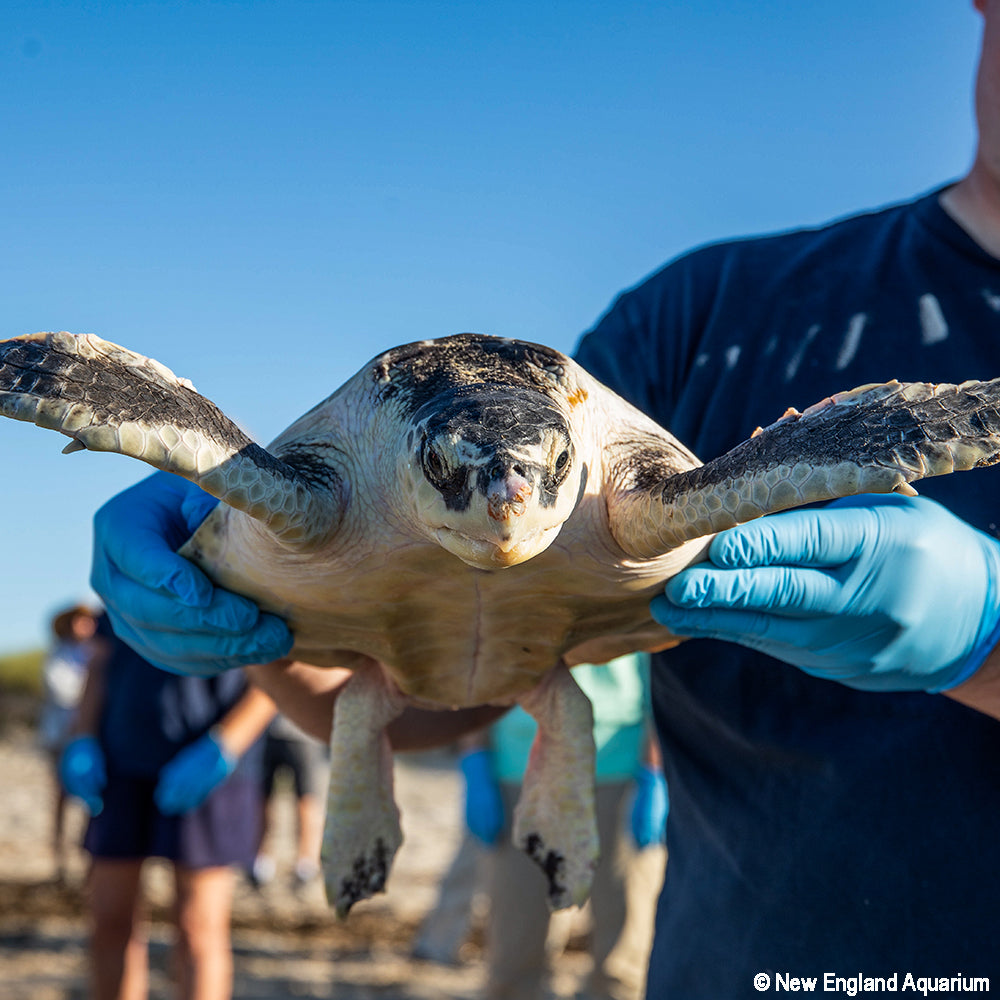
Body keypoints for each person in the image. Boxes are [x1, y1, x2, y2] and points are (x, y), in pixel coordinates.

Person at [84, 0, 1000, 993]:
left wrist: (989, 643)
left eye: (534, 484)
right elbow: (461, 672)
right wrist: (247, 621)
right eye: (466, 483)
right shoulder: (702, 315)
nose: (507, 509)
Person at [59, 613, 276, 1000]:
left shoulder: (253, 566)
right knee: (109, 921)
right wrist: (83, 735)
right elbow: (100, 662)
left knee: (198, 929)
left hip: (209, 764)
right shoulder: (134, 563)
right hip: (119, 763)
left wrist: (227, 743)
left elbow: (282, 671)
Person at [465, 652, 666, 1000]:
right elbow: (473, 664)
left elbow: (666, 664)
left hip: (619, 766)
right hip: (518, 765)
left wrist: (654, 769)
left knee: (624, 958)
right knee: (513, 952)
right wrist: (474, 756)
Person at [36, 603, 100, 880]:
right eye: (78, 621)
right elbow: (64, 692)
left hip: (90, 738)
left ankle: (91, 858)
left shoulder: (96, 653)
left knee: (94, 800)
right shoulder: (58, 656)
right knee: (62, 798)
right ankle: (59, 858)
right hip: (61, 739)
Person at [249, 712, 330, 891]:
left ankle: (306, 864)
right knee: (262, 796)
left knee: (306, 799)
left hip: (304, 733)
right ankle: (260, 862)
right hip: (266, 730)